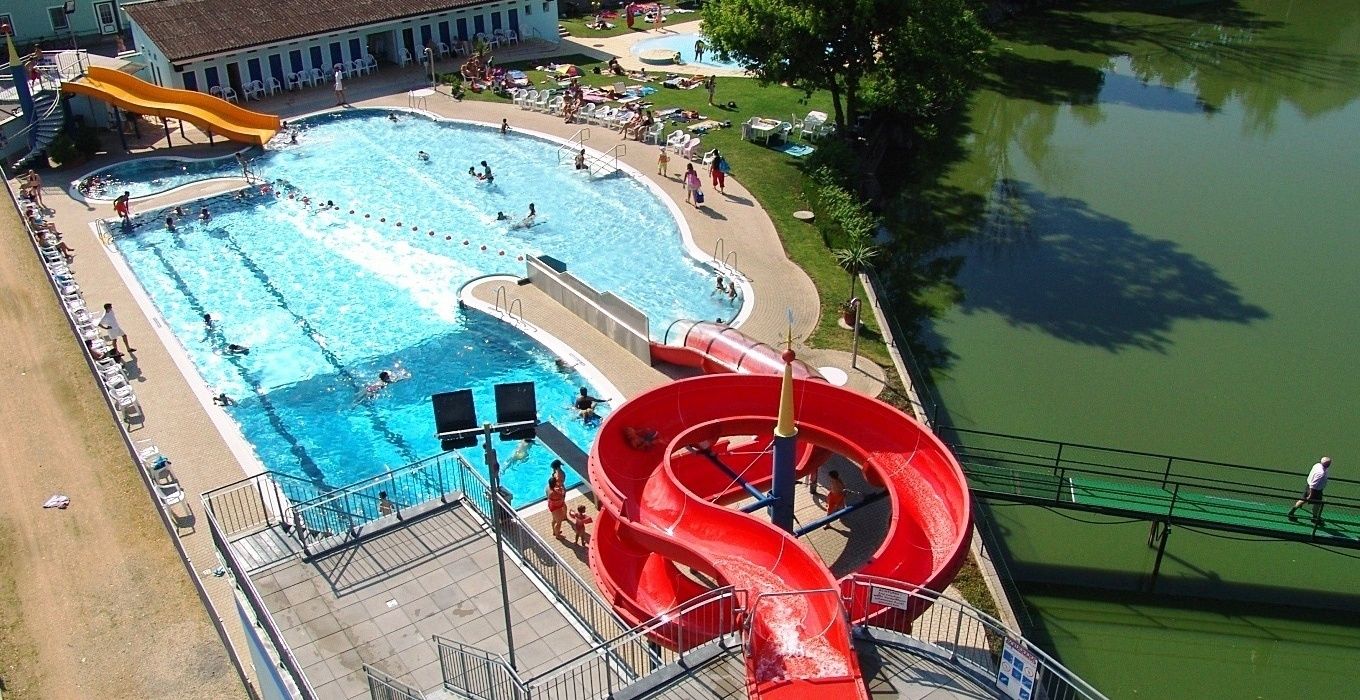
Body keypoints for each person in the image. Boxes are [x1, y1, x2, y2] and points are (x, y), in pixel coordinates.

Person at [1288, 457, 1332, 523]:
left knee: (1303, 499)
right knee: (1317, 504)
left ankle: (1292, 512)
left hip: (1310, 486)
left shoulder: (1317, 465)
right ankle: (1314, 518)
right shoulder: (1321, 473)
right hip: (1315, 490)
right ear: (1328, 465)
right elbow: (1314, 484)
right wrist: (1311, 494)